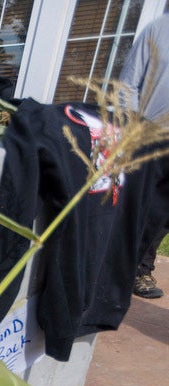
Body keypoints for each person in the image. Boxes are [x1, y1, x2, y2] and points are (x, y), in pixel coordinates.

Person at [120, 13, 169, 299]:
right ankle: (115, 267)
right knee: (137, 205)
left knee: (162, 215)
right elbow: (128, 82)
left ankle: (140, 269)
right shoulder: (158, 29)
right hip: (149, 133)